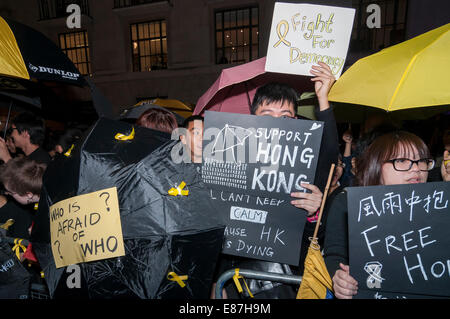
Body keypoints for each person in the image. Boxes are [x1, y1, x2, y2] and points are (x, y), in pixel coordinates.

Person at [215, 62, 339, 298]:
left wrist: (315, 212)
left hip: (289, 275)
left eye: (285, 115)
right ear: (253, 118)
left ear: (295, 120)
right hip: (239, 272)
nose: (277, 122)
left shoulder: (303, 160)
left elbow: (328, 155)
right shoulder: (234, 154)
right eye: (267, 114)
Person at [323, 130, 450, 299]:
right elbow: (334, 255)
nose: (416, 169)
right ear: (377, 166)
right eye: (402, 160)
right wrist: (338, 278)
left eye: (422, 161)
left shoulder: (439, 204)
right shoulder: (348, 202)